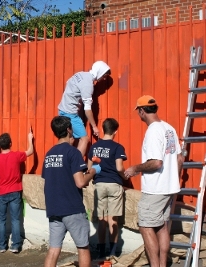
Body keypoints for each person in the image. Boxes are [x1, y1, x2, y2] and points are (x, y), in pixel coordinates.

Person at [124, 95, 184, 267]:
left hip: (155, 189)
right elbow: (180, 160)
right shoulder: (169, 129)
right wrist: (173, 179)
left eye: (138, 112)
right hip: (169, 188)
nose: (139, 115)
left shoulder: (152, 131)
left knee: (145, 226)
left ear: (142, 111)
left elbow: (156, 162)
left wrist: (135, 169)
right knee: (162, 227)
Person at [41, 116, 101, 267]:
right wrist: (93, 171)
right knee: (83, 248)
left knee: (54, 250)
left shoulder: (49, 154)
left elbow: (53, 178)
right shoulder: (73, 152)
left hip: (54, 209)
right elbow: (80, 182)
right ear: (69, 130)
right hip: (72, 208)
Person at [0, 129, 34, 253]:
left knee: (2, 220)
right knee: (15, 219)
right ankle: (15, 245)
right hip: (15, 192)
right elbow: (30, 151)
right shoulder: (16, 155)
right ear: (10, 144)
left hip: (2, 193)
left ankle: (2, 246)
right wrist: (30, 138)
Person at [87, 118, 127, 258]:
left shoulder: (94, 147)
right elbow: (119, 167)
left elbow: (89, 168)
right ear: (115, 131)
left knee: (102, 219)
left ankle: (101, 251)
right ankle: (113, 252)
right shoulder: (118, 147)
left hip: (99, 185)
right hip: (114, 184)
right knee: (112, 219)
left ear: (103, 129)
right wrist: (125, 176)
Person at [58, 61, 111, 157]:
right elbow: (87, 109)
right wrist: (94, 127)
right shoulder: (88, 85)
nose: (104, 79)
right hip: (71, 113)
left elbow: (68, 83)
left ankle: (64, 164)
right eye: (104, 76)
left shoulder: (80, 74)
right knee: (84, 139)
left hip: (62, 110)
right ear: (99, 72)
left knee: (69, 139)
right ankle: (76, 166)